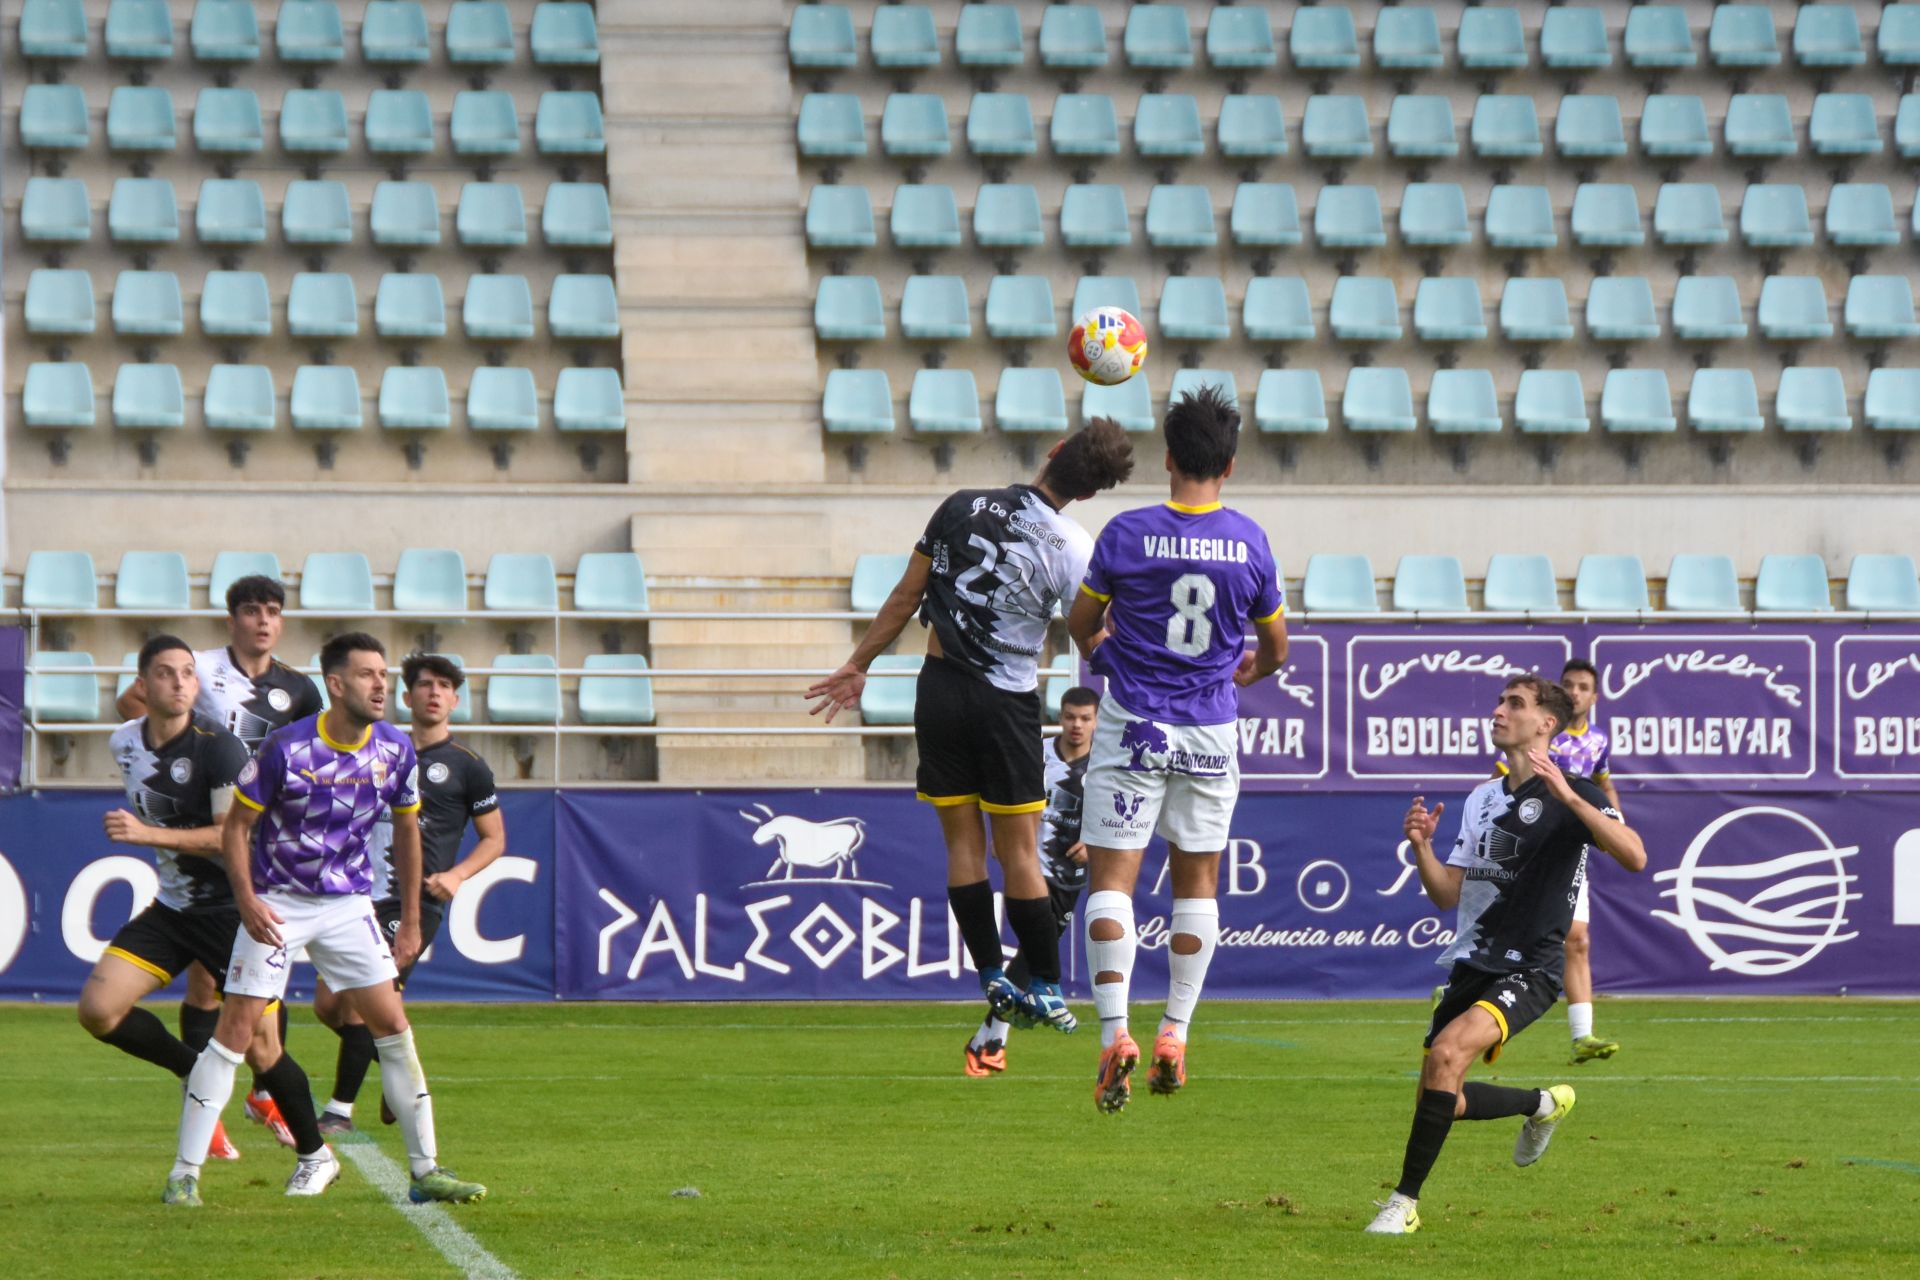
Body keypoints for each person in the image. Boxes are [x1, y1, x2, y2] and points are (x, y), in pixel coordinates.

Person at [806, 421, 1135, 1033]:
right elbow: (1091, 633)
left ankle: (988, 973)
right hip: (1004, 704)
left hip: (938, 692)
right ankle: (1044, 985)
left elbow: (906, 596)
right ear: (1090, 493)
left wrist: (858, 665)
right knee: (1019, 853)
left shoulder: (960, 505)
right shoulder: (1073, 546)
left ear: (1053, 452)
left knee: (963, 847)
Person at [165, 633, 486, 1209]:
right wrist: (246, 899)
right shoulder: (285, 749)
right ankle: (185, 1173)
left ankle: (426, 1170)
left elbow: (408, 831)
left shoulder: (394, 749)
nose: (382, 685)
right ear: (335, 685)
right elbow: (236, 828)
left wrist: (411, 919)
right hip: (279, 903)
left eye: (384, 674)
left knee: (393, 1026)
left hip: (347, 906)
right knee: (234, 1033)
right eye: (367, 675)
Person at [1065, 385, 1287, 1115]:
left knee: (1111, 881)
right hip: (1209, 730)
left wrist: (1102, 650)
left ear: (1167, 458)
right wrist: (1248, 669)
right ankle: (1174, 1035)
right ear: (1229, 464)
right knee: (1197, 885)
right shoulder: (1250, 541)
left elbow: (1083, 620)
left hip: (1133, 724)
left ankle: (1114, 1035)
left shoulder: (1127, 534)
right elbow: (1274, 647)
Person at [1365, 676, 1645, 1236]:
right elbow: (1448, 894)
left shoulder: (1576, 793)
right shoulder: (1481, 799)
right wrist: (1422, 848)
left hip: (1533, 966)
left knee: (1447, 1055)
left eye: (1513, 704)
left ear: (1546, 724)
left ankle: (1403, 1203)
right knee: (1442, 1098)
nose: (1497, 711)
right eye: (1499, 701)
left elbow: (1635, 856)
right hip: (1473, 961)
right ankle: (1541, 1104)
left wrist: (1569, 798)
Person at [79, 636, 327, 1179]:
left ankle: (316, 1155)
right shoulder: (124, 741)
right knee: (99, 1011)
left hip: (233, 913)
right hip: (174, 909)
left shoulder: (220, 749)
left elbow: (228, 837)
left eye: (188, 673)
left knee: (264, 1049)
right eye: (165, 674)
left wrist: (147, 834)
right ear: (142, 687)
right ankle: (195, 1070)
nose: (180, 683)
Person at [316, 654, 504, 1134]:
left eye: (445, 686)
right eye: (425, 685)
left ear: (455, 700)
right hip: (356, 896)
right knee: (328, 1005)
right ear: (407, 695)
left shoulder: (468, 767)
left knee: (362, 1001)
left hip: (413, 902)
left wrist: (458, 875)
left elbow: (495, 838)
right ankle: (401, 1076)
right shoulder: (377, 748)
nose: (434, 693)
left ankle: (339, 1111)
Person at [964, 685, 1098, 1076]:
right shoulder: (1037, 753)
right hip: (1029, 866)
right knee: (1033, 953)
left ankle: (986, 1040)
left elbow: (1119, 807)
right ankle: (990, 1042)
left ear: (1095, 721)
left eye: (1085, 718)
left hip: (1069, 873)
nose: (1077, 725)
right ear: (1061, 716)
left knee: (1032, 953)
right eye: (1071, 716)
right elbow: (1005, 792)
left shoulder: (1106, 762)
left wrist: (1094, 839)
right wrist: (1000, 836)